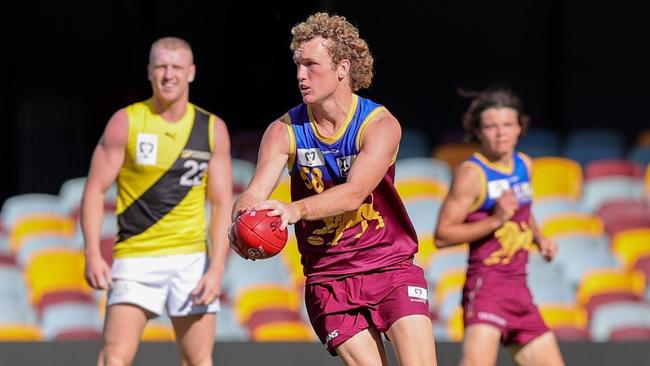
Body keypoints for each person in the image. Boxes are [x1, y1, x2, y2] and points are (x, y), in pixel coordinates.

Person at [229, 12, 437, 366]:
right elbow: (254, 193)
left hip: (388, 265)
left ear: (342, 68)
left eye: (311, 64)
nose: (300, 74)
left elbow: (355, 193)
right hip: (328, 277)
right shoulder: (284, 130)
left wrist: (294, 210)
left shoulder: (380, 124)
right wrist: (240, 221)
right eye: (298, 64)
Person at [81, 36, 232, 366]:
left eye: (176, 67)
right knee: (114, 359)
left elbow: (222, 205)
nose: (168, 75)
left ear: (191, 72)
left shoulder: (212, 128)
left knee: (198, 361)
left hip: (191, 259)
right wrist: (92, 253)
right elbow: (94, 190)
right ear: (149, 71)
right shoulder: (127, 121)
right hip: (136, 257)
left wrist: (217, 268)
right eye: (161, 66)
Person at [434, 87, 565, 366]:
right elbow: (442, 236)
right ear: (478, 131)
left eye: (507, 125)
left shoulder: (524, 165)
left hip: (520, 290)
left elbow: (523, 212)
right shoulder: (472, 174)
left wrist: (540, 239)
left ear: (520, 127)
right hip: (487, 290)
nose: (500, 133)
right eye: (490, 127)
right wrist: (496, 220)